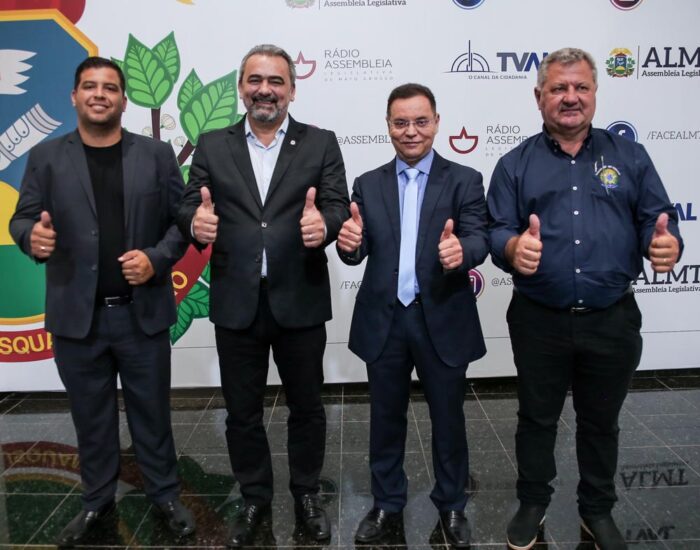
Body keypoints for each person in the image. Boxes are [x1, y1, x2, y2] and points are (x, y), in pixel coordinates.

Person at [487, 47, 683, 550]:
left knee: (601, 422)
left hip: (611, 318)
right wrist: (511, 247)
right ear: (539, 97)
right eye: (558, 88)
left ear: (595, 94)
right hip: (538, 319)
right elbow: (498, 231)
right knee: (536, 417)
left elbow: (655, 220)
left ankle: (596, 510)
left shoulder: (630, 156)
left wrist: (664, 243)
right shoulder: (514, 164)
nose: (570, 98)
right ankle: (533, 502)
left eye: (580, 88)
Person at [10, 57, 195, 547]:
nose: (99, 94)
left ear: (123, 99)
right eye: (89, 86)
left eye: (110, 87)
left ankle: (165, 495)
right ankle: (96, 501)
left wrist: (157, 259)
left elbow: (183, 222)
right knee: (90, 416)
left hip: (142, 314)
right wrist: (33, 238)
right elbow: (23, 218)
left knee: (151, 413)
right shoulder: (47, 157)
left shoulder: (156, 155)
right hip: (78, 317)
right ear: (73, 96)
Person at [176, 44, 349, 547]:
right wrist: (195, 220)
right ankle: (253, 497)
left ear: (292, 89)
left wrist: (328, 222)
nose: (265, 89)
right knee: (242, 412)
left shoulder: (320, 143)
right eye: (255, 79)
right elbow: (192, 204)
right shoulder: (211, 144)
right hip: (236, 300)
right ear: (241, 87)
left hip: (300, 297)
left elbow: (337, 203)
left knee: (308, 407)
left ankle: (306, 494)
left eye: (276, 80)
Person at [337, 83, 489, 548]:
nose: (411, 131)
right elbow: (356, 249)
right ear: (388, 126)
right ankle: (387, 503)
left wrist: (461, 251)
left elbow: (480, 237)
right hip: (385, 319)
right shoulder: (368, 183)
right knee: (385, 418)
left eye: (421, 121)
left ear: (437, 122)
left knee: (449, 419)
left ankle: (452, 506)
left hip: (441, 315)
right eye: (400, 122)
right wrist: (349, 245)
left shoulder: (464, 179)